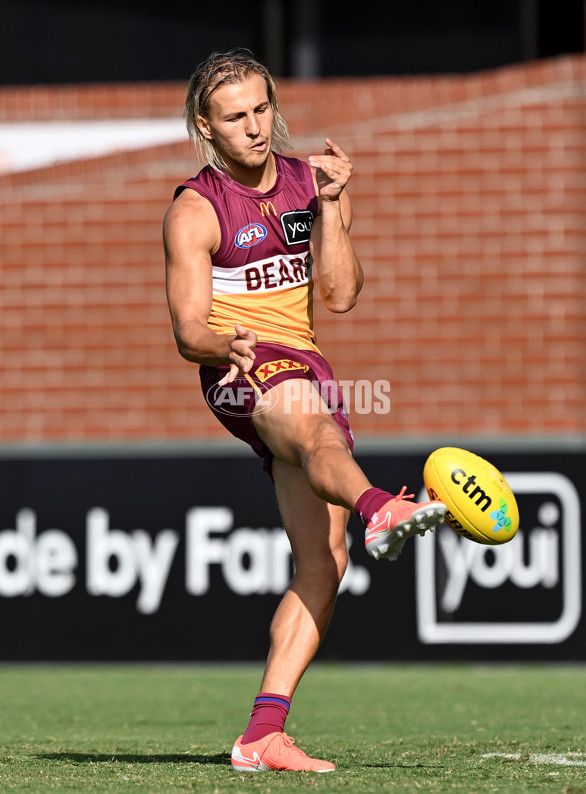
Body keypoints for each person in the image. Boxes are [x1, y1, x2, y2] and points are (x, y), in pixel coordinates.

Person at [163, 48, 446, 773]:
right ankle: (382, 503)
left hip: (307, 358)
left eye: (262, 109)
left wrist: (331, 207)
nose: (256, 127)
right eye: (236, 117)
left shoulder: (309, 180)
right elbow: (188, 329)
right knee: (321, 429)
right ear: (206, 125)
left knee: (324, 562)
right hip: (239, 368)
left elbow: (342, 294)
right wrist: (227, 340)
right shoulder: (196, 208)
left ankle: (263, 734)